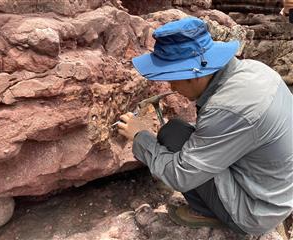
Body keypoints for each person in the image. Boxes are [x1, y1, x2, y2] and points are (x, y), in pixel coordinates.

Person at [116, 17, 293, 236]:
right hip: (277, 192)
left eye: (173, 78)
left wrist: (141, 135)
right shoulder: (255, 70)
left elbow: (179, 176)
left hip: (254, 211)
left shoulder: (227, 108)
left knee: (172, 135)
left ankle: (211, 212)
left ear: (195, 74)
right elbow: (229, 130)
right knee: (179, 130)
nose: (171, 86)